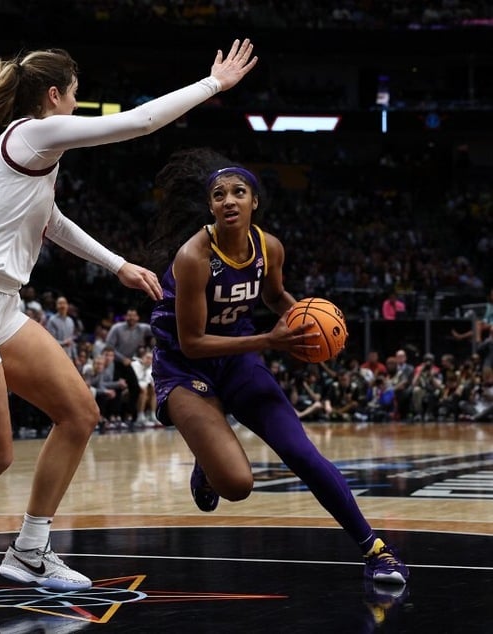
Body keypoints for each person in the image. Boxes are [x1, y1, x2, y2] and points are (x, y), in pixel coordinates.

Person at [0, 39, 257, 600]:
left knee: (79, 412)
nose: (78, 106)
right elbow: (140, 122)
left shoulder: (28, 152)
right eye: (75, 96)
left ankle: (31, 550)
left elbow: (50, 221)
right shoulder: (32, 132)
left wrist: (118, 264)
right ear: (53, 96)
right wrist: (213, 86)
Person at [147, 147, 408, 585]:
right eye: (219, 195)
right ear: (210, 207)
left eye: (238, 192)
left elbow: (272, 297)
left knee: (302, 452)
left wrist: (310, 324)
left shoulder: (269, 247)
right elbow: (192, 343)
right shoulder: (193, 257)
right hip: (184, 368)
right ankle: (208, 458)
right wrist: (270, 340)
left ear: (254, 202)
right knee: (236, 485)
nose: (229, 200)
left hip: (238, 358)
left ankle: (376, 550)